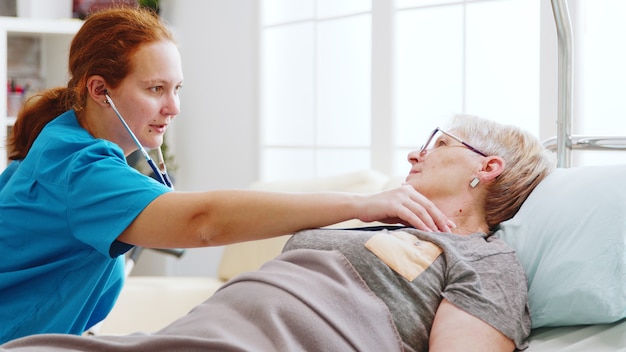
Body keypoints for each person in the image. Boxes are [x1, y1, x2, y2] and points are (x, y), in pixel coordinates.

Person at [0, 6, 456, 344]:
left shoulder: (65, 144)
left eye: (176, 89)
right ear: (100, 90)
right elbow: (203, 222)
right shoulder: (80, 168)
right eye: (155, 89)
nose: (173, 108)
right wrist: (364, 204)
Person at [0, 114, 555, 351]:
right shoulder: (366, 218)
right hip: (199, 334)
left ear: (487, 168)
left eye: (439, 142)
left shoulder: (485, 262)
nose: (416, 151)